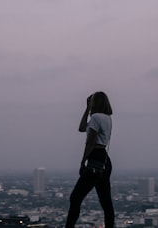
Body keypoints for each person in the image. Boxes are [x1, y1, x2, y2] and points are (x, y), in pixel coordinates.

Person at [64, 91, 114, 228]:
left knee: (75, 198)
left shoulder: (96, 117)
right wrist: (87, 109)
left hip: (95, 158)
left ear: (95, 103)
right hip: (104, 159)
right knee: (106, 203)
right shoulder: (107, 118)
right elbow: (81, 128)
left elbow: (90, 142)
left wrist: (82, 161)